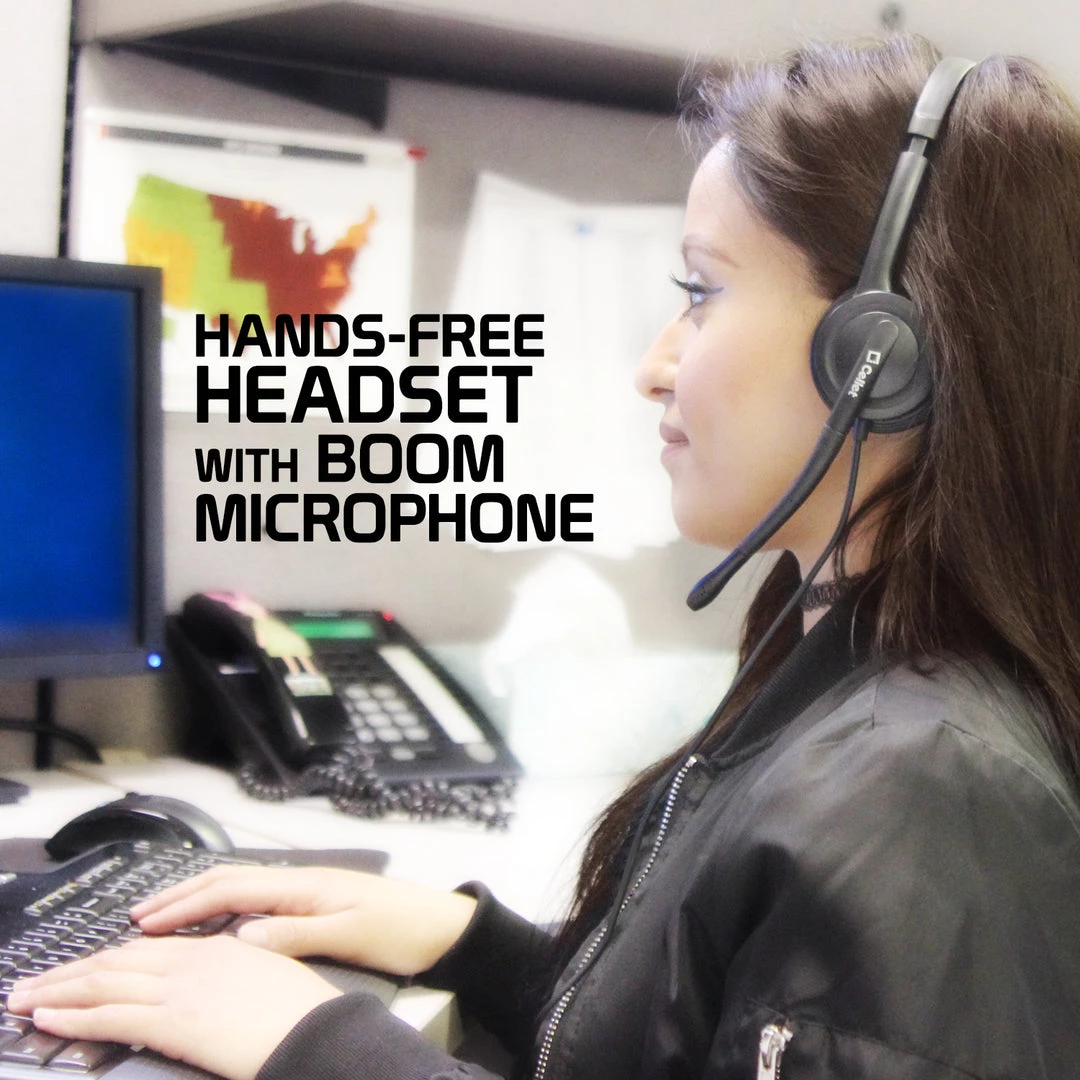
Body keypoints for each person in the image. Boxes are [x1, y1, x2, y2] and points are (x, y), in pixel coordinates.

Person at [11, 31, 1080, 1079]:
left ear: (877, 353)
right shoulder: (848, 685)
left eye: (702, 293)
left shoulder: (921, 797)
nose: (654, 367)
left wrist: (324, 1048)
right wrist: (481, 950)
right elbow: (703, 1034)